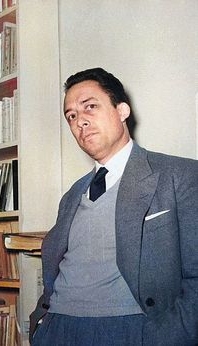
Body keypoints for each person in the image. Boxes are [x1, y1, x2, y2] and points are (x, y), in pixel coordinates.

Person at [30, 67, 198, 346]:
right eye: (71, 116)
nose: (80, 121)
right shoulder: (72, 194)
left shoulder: (179, 175)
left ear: (122, 111)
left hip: (129, 330)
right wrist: (40, 326)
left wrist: (169, 337)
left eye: (90, 107)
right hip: (57, 329)